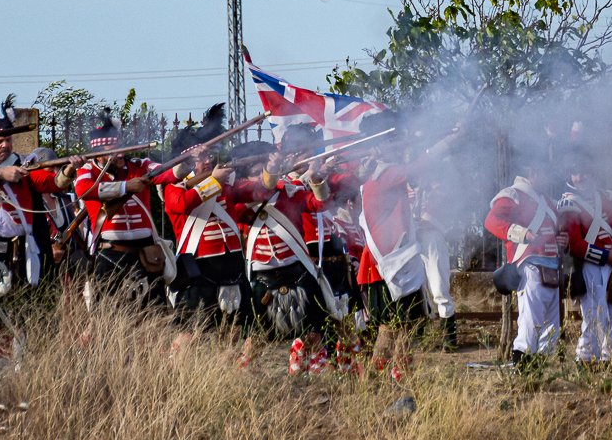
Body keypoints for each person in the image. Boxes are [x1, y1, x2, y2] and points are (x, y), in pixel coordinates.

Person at [0, 104, 82, 378]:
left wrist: (68, 171)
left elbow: (52, 183)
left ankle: (3, 381)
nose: (5, 145)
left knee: (4, 320)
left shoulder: (24, 164)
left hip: (13, 250)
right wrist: (0, 175)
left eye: (8, 140)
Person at [356, 113, 463, 377]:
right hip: (390, 267)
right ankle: (388, 380)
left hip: (395, 265)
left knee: (399, 328)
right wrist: (448, 141)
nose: (399, 142)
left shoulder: (379, 171)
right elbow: (418, 167)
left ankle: (388, 381)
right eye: (393, 138)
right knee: (396, 328)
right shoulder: (384, 173)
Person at [228, 139, 336, 375]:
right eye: (258, 171)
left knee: (313, 333)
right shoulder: (242, 198)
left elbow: (320, 203)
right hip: (262, 273)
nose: (264, 175)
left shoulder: (289, 191)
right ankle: (247, 382)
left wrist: (316, 178)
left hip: (296, 269)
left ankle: (318, 384)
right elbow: (244, 206)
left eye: (265, 169)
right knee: (255, 337)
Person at [74, 109, 185, 308]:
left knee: (153, 317)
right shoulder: (88, 171)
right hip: (110, 254)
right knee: (107, 317)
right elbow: (84, 189)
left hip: (145, 253)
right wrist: (126, 186)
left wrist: (187, 162)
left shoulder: (138, 165)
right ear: (99, 155)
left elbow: (168, 173)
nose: (121, 154)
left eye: (120, 148)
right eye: (113, 151)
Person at [161, 106, 249, 328]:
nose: (207, 161)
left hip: (232, 259)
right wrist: (215, 182)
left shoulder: (225, 182)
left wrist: (271, 171)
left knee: (235, 328)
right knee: (190, 330)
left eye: (209, 156)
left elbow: (258, 192)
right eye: (201, 158)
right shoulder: (174, 186)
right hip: (199, 263)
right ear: (188, 162)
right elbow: (181, 204)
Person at [484, 143, 566, 371]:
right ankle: (524, 368)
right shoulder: (513, 194)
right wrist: (524, 234)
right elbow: (492, 221)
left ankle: (544, 370)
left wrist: (563, 241)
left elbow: (557, 231)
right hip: (529, 265)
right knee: (530, 320)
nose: (549, 179)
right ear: (533, 172)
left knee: (551, 324)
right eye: (545, 173)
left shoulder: (549, 202)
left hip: (552, 267)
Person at [557, 147, 612, 368]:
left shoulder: (603, 197)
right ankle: (586, 360)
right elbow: (576, 245)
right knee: (596, 317)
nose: (580, 177)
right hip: (590, 265)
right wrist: (608, 257)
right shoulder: (568, 203)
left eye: (584, 172)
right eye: (576, 173)